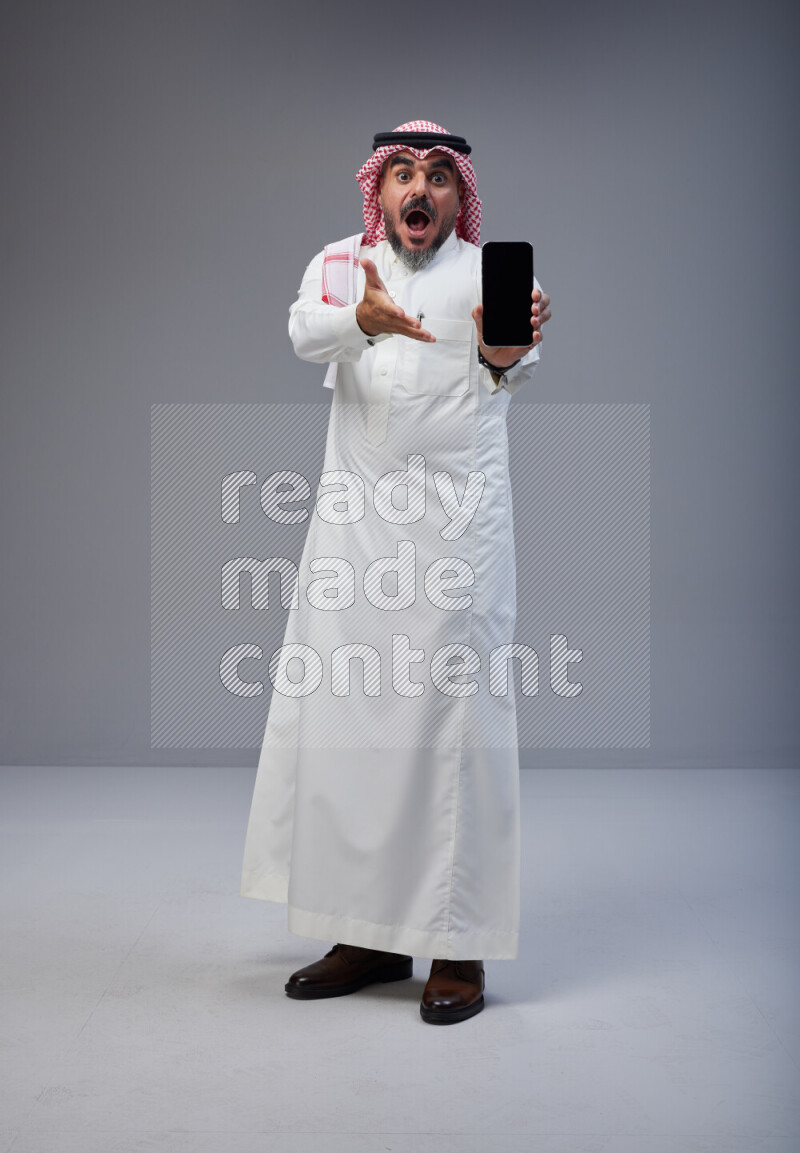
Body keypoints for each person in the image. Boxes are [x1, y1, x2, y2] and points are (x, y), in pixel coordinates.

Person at [240, 120, 552, 1024]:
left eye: (440, 177)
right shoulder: (341, 261)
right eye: (404, 174)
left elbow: (514, 362)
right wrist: (359, 320)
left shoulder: (499, 278)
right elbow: (305, 332)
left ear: (460, 196)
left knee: (456, 731)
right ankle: (368, 932)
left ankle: (459, 947)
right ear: (379, 190)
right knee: (353, 721)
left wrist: (503, 350)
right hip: (357, 528)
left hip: (458, 533)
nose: (421, 190)